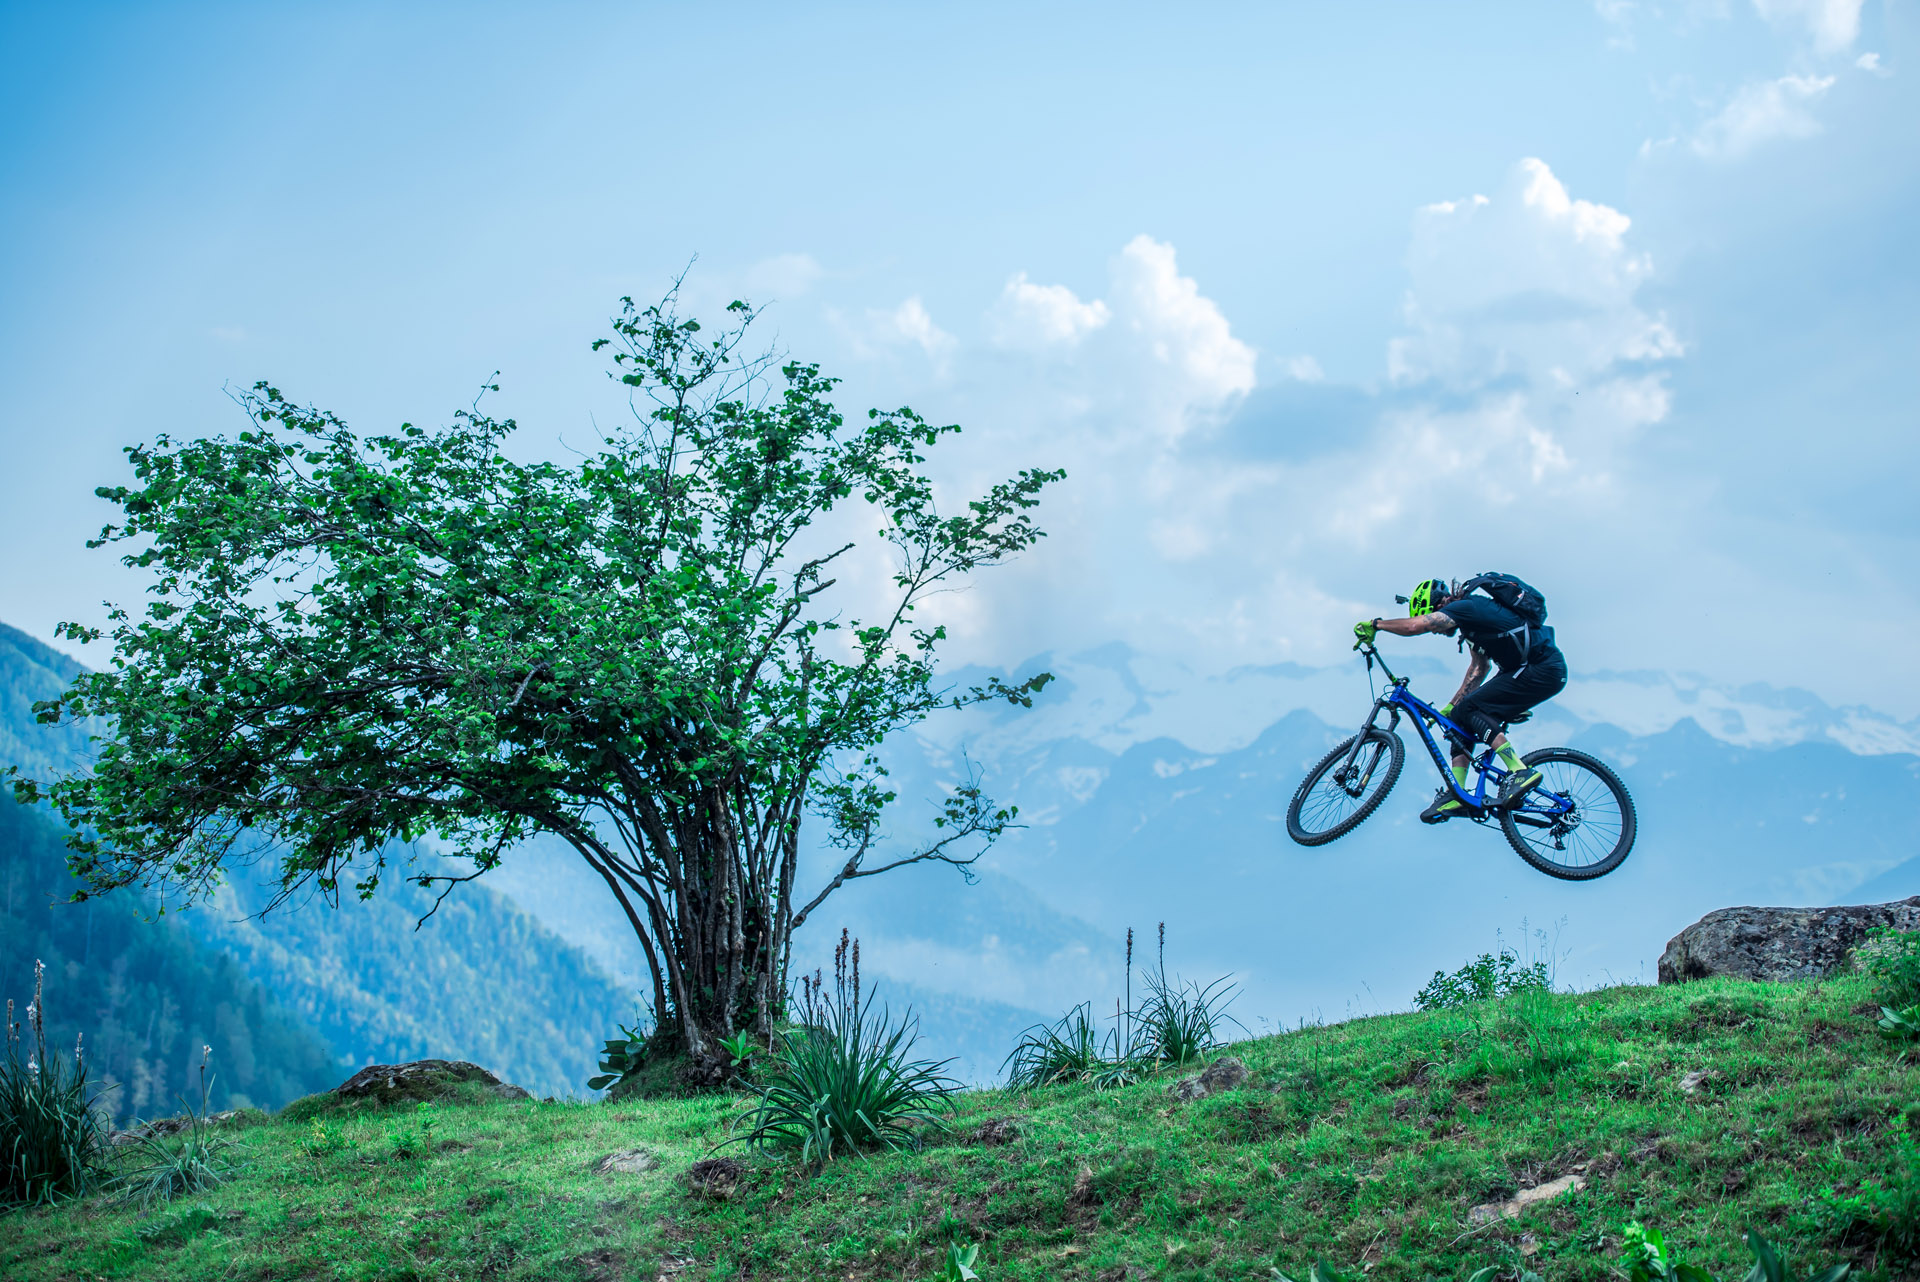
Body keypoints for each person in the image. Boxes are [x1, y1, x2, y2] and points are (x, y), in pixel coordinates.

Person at [1351, 576, 1568, 823]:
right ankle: (1458, 794)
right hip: (1531, 671)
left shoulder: (1467, 608)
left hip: (1542, 668)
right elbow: (1478, 669)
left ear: (1437, 606)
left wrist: (1377, 624)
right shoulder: (1471, 627)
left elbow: (1415, 627)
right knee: (1460, 717)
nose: (1438, 631)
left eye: (1433, 617)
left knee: (1471, 707)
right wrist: (1451, 707)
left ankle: (1519, 770)